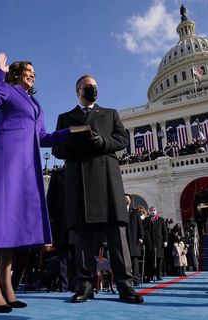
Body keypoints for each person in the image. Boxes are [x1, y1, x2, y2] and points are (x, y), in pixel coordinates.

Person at [0, 53, 70, 313]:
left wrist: (71, 134)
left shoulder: (37, 105)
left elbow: (42, 137)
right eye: (28, 70)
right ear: (17, 73)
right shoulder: (7, 89)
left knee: (12, 220)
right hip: (4, 155)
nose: (33, 74)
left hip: (25, 164)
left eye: (34, 71)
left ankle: (7, 285)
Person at [52, 74, 144, 304]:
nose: (92, 89)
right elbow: (56, 149)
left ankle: (125, 284)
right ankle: (84, 285)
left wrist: (102, 142)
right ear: (77, 91)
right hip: (79, 178)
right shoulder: (65, 118)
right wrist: (73, 145)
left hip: (106, 178)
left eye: (95, 87)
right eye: (87, 87)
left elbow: (121, 139)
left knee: (116, 232)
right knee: (81, 235)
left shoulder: (110, 113)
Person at [125, 194, 144, 285]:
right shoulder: (121, 211)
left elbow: (140, 226)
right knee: (125, 259)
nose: (126, 200)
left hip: (134, 239)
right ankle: (127, 278)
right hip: (124, 239)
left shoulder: (135, 211)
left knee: (134, 259)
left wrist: (141, 237)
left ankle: (136, 278)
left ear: (130, 200)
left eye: (127, 198)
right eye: (124, 198)